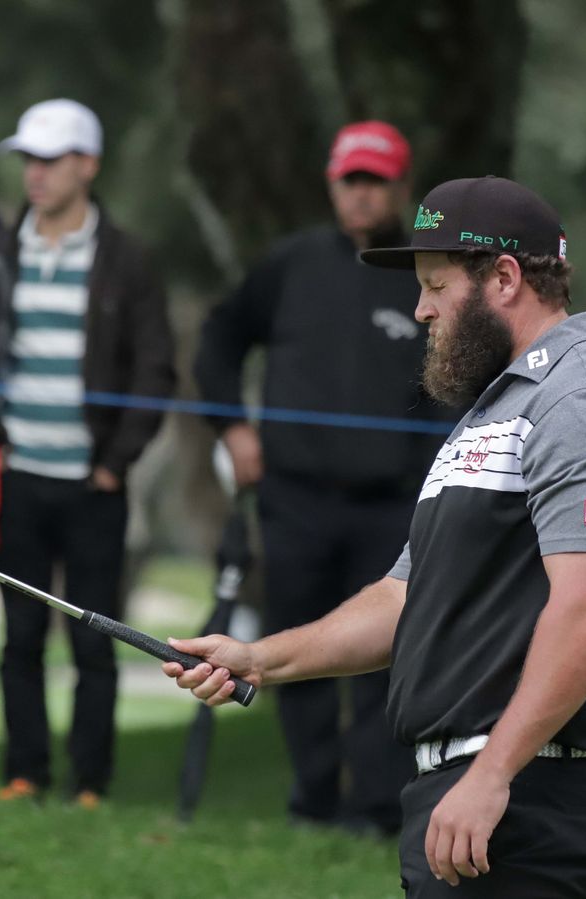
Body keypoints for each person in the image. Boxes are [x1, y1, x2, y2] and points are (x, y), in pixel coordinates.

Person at [167, 177, 586, 897]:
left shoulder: (583, 399)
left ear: (503, 278)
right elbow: (405, 595)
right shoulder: (492, 411)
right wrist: (258, 659)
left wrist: (493, 772)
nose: (419, 309)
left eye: (436, 285)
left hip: (530, 787)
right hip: (469, 787)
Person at [192, 121, 444, 836]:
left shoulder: (425, 276)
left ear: (401, 187)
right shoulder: (292, 263)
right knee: (291, 647)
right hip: (295, 497)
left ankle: (373, 807)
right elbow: (219, 337)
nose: (360, 194)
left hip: (391, 504)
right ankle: (313, 797)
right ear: (333, 183)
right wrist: (232, 426)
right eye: (349, 180)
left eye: (375, 181)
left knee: (381, 655)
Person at [0, 99, 175, 807]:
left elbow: (155, 370)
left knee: (92, 637)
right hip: (15, 477)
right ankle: (25, 771)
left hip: (93, 485)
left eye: (50, 160)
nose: (36, 175)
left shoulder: (127, 258)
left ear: (88, 166)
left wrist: (116, 462)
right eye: (29, 161)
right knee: (18, 637)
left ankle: (90, 781)